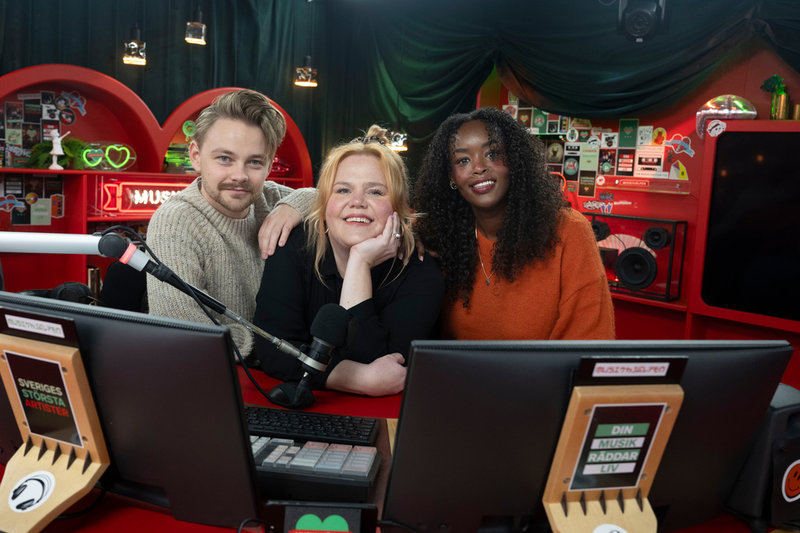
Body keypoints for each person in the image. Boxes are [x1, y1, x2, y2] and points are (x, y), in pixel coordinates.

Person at [252, 125, 445, 396]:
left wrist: (360, 262)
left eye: (375, 192)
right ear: (324, 204)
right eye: (342, 190)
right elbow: (273, 349)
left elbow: (385, 368)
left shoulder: (421, 272)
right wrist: (353, 378)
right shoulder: (294, 246)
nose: (357, 202)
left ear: (399, 209)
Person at [412, 106, 615, 340]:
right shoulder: (441, 238)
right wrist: (408, 237)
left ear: (514, 160)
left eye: (492, 153)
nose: (478, 167)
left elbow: (589, 342)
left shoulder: (568, 230)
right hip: (458, 376)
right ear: (451, 177)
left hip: (543, 377)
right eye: (463, 160)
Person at [146, 89, 316, 360]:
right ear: (196, 156)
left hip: (277, 374)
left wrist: (295, 205)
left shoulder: (269, 198)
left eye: (255, 162)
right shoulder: (175, 221)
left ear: (269, 165)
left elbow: (328, 197)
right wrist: (282, 349)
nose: (240, 176)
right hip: (215, 379)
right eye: (225, 159)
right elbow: (187, 336)